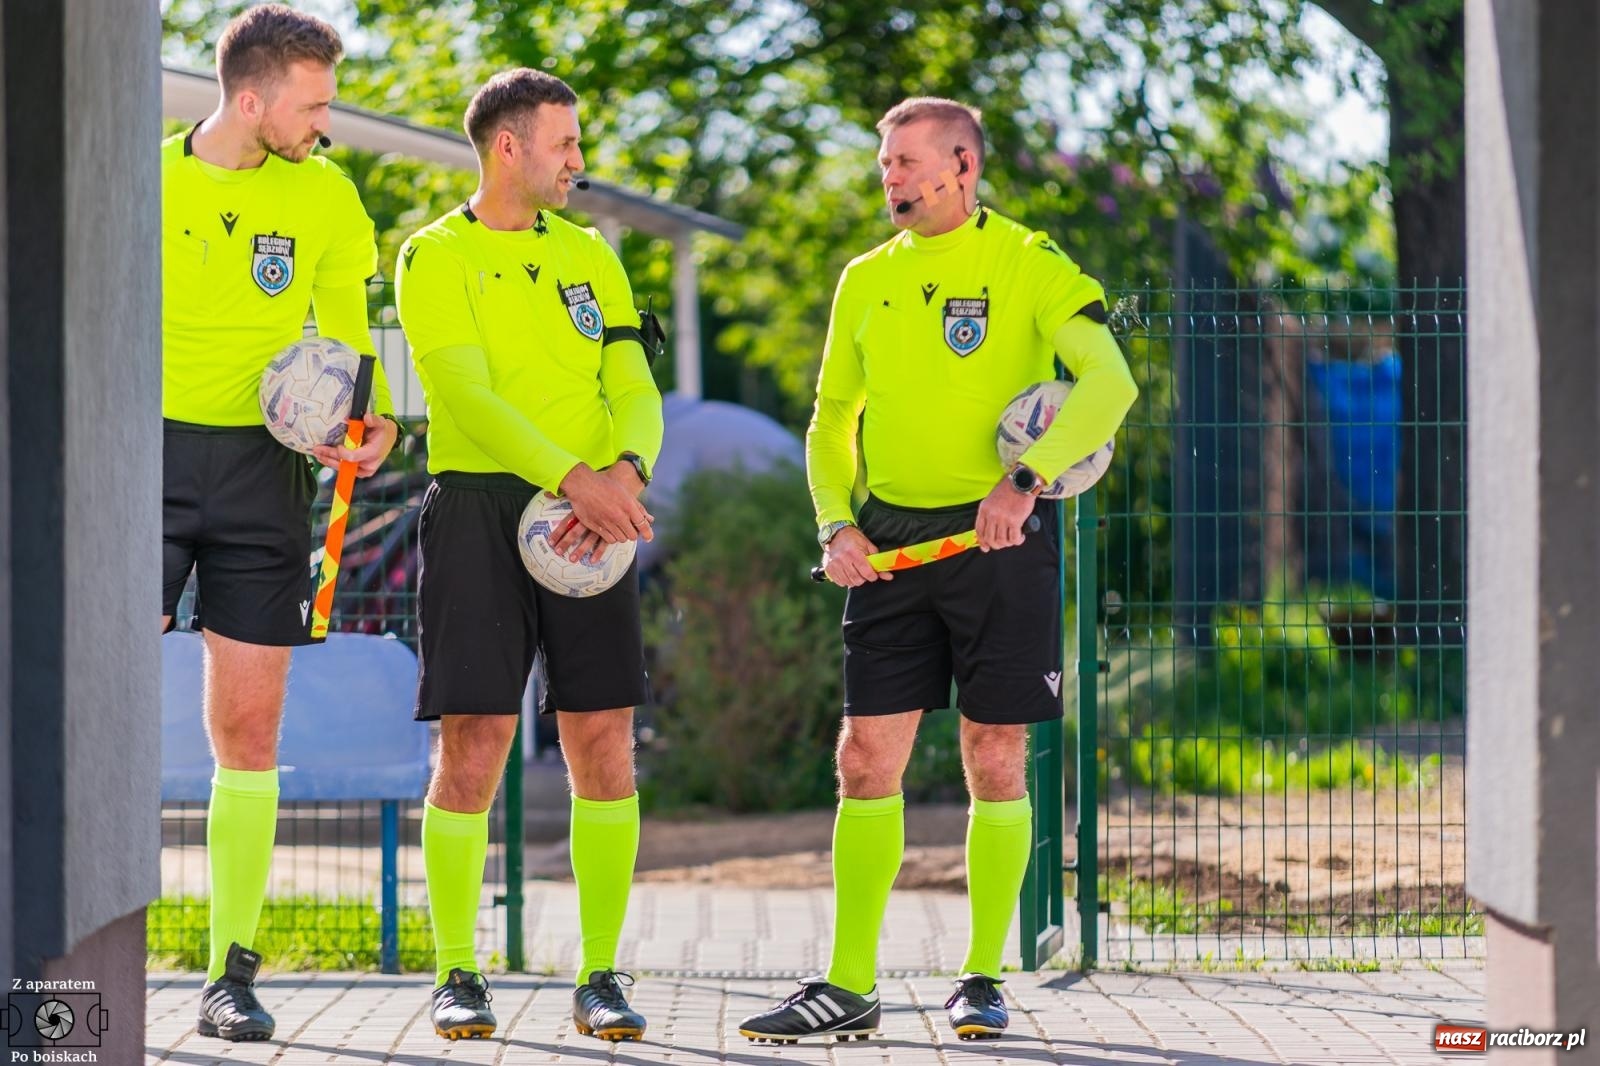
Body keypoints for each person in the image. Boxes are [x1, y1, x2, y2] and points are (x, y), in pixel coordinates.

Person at [739, 97, 1138, 1044]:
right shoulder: (865, 278)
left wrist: (1025, 483)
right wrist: (836, 523)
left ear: (963, 166)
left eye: (908, 161)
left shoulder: (1029, 260)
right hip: (888, 546)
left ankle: (982, 977)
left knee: (994, 755)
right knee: (863, 758)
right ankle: (849, 985)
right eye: (885, 163)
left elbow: (1111, 383)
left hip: (999, 538)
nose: (891, 177)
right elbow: (832, 417)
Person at [394, 68, 662, 1043]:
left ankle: (599, 974)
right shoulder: (432, 254)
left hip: (592, 509)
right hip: (479, 507)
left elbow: (632, 383)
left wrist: (625, 471)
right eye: (565, 143)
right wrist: (573, 476)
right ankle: (456, 971)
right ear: (509, 147)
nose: (579, 160)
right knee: (473, 743)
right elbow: (464, 399)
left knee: (605, 741)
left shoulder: (592, 253)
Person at [161, 4, 400, 1043]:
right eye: (313, 106)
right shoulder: (143, 183)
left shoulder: (327, 193)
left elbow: (345, 335)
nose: (325, 124)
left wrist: (367, 416)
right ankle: (55, 944)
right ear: (251, 99)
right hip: (139, 456)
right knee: (85, 711)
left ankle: (229, 973)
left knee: (250, 731)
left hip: (266, 471)